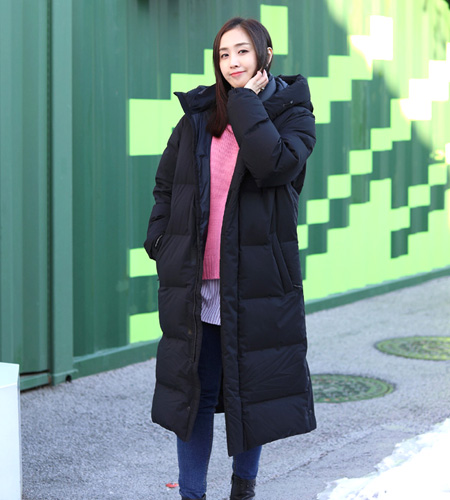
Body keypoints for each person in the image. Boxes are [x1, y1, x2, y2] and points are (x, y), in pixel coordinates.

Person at [144, 17, 316, 500]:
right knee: (193, 397)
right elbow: (165, 185)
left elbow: (273, 164)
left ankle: (243, 490)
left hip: (256, 282)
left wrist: (244, 102)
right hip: (196, 283)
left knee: (251, 394)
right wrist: (161, 241)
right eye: (224, 54)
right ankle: (192, 495)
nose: (232, 61)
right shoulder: (197, 119)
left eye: (242, 51)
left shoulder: (294, 115)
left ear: (265, 54)